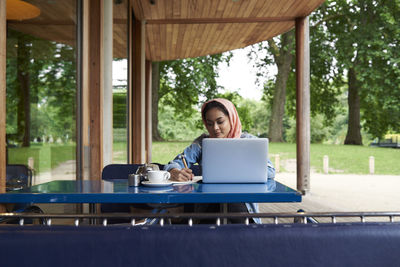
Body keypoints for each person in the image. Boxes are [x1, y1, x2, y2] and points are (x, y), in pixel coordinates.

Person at [164, 98, 276, 223]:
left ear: (231, 119)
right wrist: (174, 171)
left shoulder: (250, 142)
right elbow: (175, 163)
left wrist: (240, 169)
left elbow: (270, 171)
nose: (215, 128)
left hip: (241, 205)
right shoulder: (202, 143)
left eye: (220, 121)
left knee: (234, 206)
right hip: (209, 205)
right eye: (210, 124)